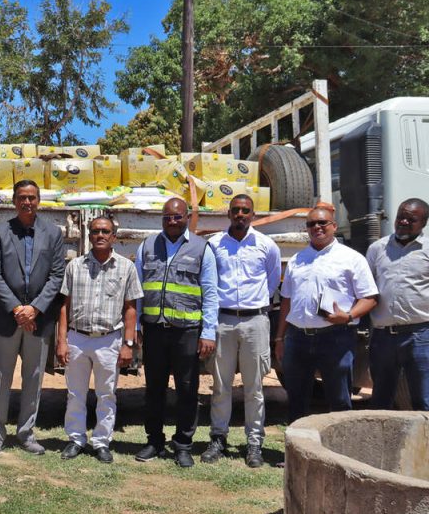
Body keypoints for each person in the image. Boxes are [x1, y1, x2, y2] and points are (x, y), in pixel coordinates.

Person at [274, 204, 378, 423]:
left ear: (334, 226)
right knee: (296, 401)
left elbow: (370, 297)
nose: (317, 227)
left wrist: (348, 316)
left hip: (335, 337)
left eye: (322, 223)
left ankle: (340, 445)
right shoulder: (297, 260)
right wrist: (280, 338)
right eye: (311, 224)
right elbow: (287, 301)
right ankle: (296, 444)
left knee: (339, 401)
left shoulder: (352, 258)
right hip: (298, 338)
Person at [0, 180, 66, 456]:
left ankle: (26, 433)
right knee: (0, 378)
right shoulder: (0, 231)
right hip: (7, 319)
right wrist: (18, 309)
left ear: (39, 200)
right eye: (22, 197)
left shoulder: (52, 233)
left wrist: (35, 308)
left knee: (33, 378)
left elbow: (57, 275)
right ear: (14, 201)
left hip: (39, 320)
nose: (27, 202)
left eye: (31, 197)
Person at [134, 197, 217, 468]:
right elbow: (136, 290)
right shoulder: (147, 246)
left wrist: (208, 332)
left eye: (177, 216)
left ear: (187, 218)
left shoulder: (202, 248)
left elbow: (210, 293)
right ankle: (154, 441)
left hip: (187, 331)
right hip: (154, 329)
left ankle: (183, 445)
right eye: (167, 217)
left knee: (187, 389)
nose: (172, 221)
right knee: (154, 389)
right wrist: (136, 327)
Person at [202, 194, 281, 468]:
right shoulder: (214, 245)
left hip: (255, 322)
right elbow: (208, 283)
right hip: (222, 321)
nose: (240, 214)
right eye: (235, 210)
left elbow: (272, 281)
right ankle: (218, 438)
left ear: (253, 215)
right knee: (220, 385)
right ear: (228, 213)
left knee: (254, 387)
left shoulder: (266, 245)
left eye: (245, 210)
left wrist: (253, 305)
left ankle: (254, 442)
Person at [56, 216, 142, 462]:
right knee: (75, 393)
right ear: (89, 235)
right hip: (77, 338)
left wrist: (128, 344)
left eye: (105, 231)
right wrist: (62, 341)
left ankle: (102, 442)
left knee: (107, 394)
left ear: (114, 236)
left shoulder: (126, 267)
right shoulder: (75, 266)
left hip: (109, 340)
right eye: (95, 231)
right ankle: (76, 439)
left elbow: (130, 308)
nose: (100, 235)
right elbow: (64, 306)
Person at [366, 198, 429, 410]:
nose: (403, 221)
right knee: (380, 401)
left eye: (411, 219)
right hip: (383, 337)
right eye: (401, 216)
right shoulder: (377, 249)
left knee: (424, 400)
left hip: (420, 336)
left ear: (423, 223)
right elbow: (366, 288)